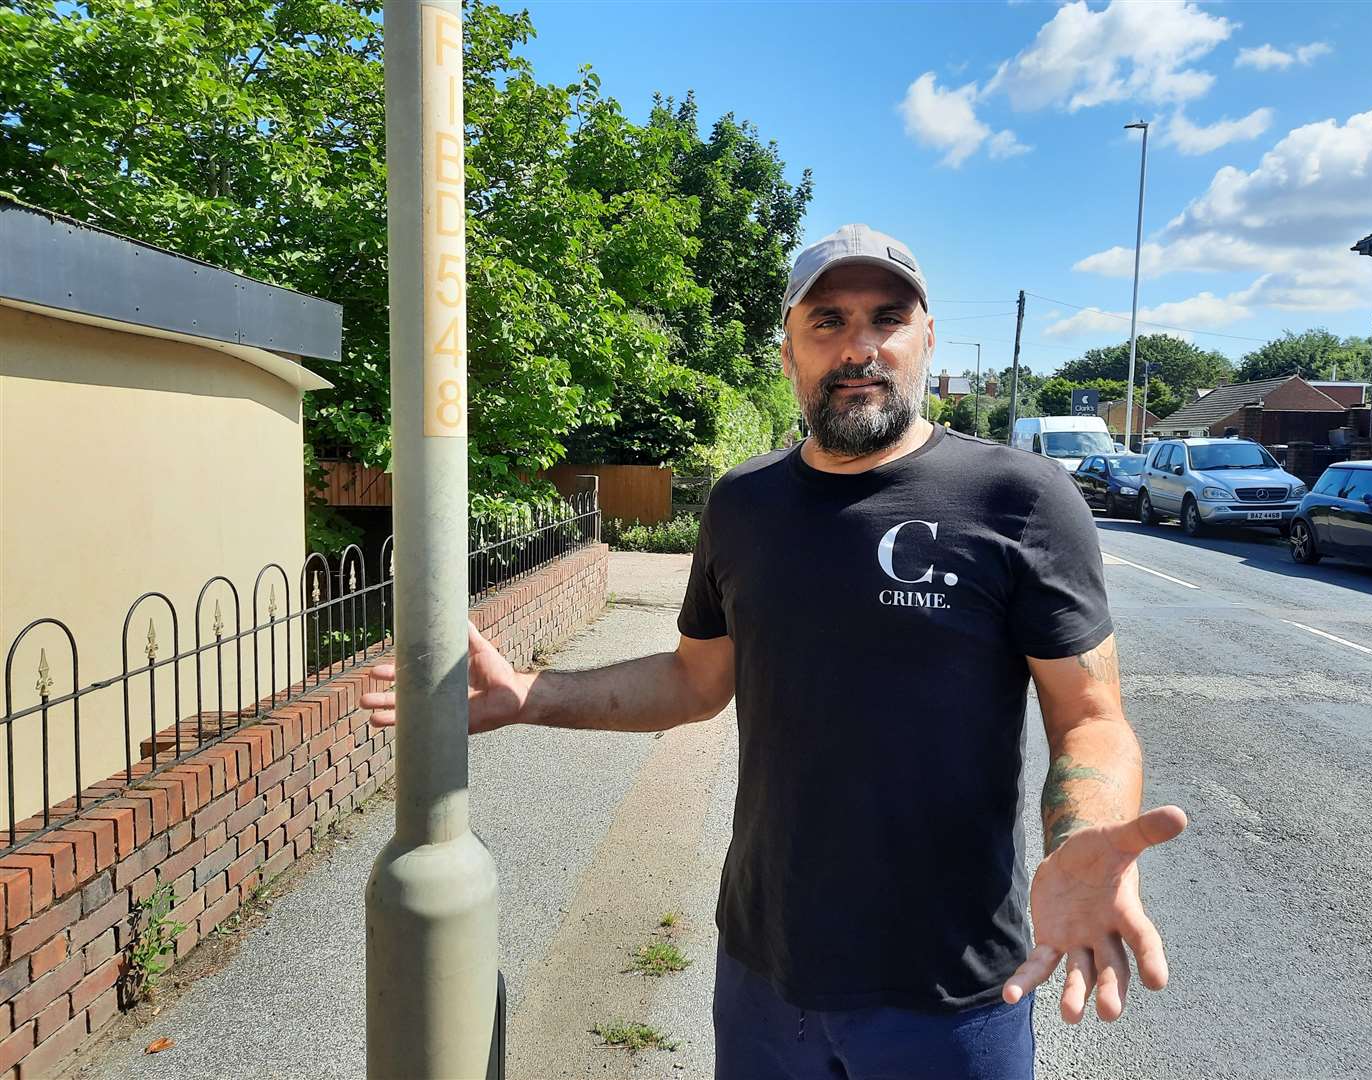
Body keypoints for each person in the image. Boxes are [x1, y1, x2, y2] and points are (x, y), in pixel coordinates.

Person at [361, 223, 1186, 1080]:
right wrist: (529, 693)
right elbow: (693, 681)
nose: (859, 347)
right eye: (826, 321)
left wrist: (1086, 839)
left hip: (953, 992)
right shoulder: (744, 503)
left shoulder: (1021, 499)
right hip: (763, 971)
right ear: (787, 353)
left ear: (927, 338)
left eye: (886, 319)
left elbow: (1091, 717)